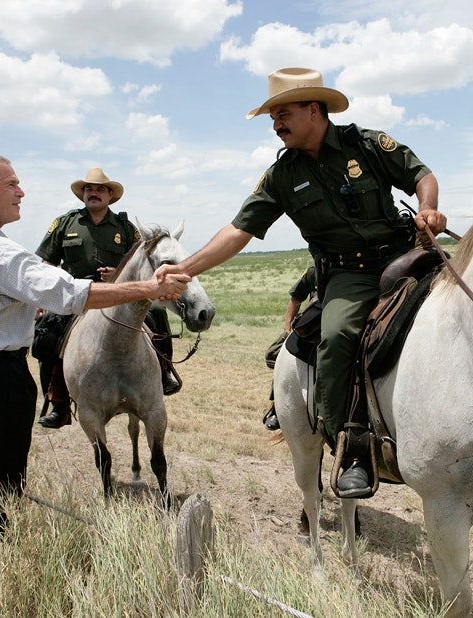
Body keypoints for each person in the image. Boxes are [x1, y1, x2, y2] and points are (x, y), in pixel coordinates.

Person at [156, 68, 446, 499]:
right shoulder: (281, 177)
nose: (276, 125)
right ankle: (353, 446)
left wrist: (429, 208)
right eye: (273, 117)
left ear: (314, 110)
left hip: (407, 253)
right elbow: (238, 231)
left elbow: (421, 175)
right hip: (351, 273)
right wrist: (188, 269)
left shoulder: (365, 144)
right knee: (337, 335)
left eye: (282, 114)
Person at [0, 153, 189, 573]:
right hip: (1, 369)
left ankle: (163, 375)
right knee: (49, 348)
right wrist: (147, 287)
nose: (21, 191)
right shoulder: (15, 243)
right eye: (12, 184)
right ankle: (59, 398)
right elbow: (57, 283)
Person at [34, 167, 180, 429]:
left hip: (119, 296)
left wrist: (117, 274)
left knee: (157, 314)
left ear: (110, 195)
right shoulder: (65, 223)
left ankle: (165, 373)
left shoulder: (125, 228)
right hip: (77, 296)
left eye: (100, 189)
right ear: (83, 195)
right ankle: (58, 402)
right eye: (89, 189)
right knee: (47, 333)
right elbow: (47, 261)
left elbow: (140, 261)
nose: (94, 193)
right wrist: (52, 292)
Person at [263, 263, 317, 430]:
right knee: (280, 355)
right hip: (315, 320)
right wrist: (287, 328)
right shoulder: (313, 271)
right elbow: (296, 298)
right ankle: (277, 409)